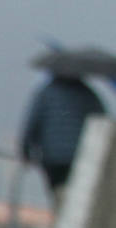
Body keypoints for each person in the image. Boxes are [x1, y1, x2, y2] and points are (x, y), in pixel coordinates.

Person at [19, 74, 108, 204]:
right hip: (79, 155)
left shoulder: (46, 93)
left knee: (58, 190)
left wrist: (26, 152)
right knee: (79, 193)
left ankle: (61, 209)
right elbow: (102, 122)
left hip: (52, 156)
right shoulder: (88, 93)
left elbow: (33, 123)